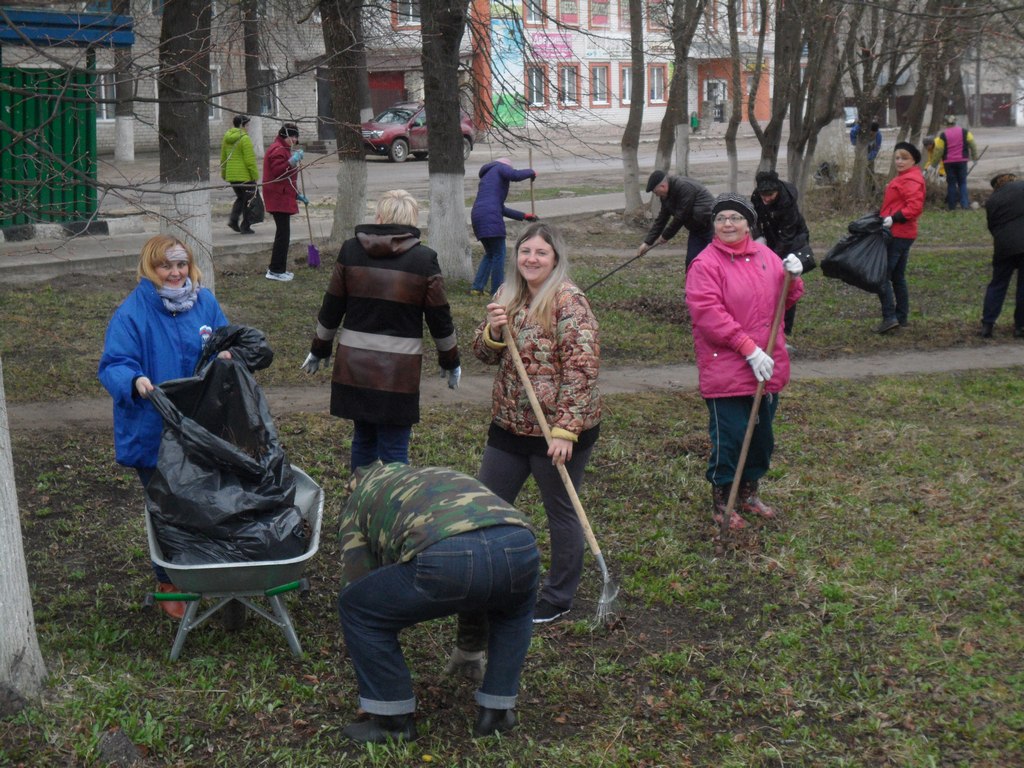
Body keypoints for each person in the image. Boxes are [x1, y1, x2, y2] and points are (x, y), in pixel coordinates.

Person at [336, 462, 540, 743]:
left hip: (445, 556)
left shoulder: (357, 501)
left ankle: (392, 722)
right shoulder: (433, 475)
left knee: (357, 608)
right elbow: (479, 562)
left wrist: (368, 665)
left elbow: (359, 581)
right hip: (519, 543)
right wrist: (470, 647)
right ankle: (497, 712)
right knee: (514, 611)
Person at [473, 222, 601, 624]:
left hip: (556, 431)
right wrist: (493, 332)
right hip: (510, 424)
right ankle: (485, 579)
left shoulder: (568, 300)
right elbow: (484, 353)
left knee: (561, 510)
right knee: (486, 506)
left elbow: (582, 368)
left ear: (555, 258)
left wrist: (567, 430)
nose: (531, 259)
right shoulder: (506, 295)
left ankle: (559, 596)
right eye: (525, 251)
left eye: (541, 253)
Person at [97, 235, 231, 619]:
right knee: (165, 508)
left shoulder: (203, 302)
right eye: (165, 266)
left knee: (205, 499)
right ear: (149, 268)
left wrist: (228, 353)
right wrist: (134, 381)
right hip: (152, 429)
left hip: (201, 427)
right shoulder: (132, 313)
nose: (175, 273)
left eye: (181, 265)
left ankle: (206, 568)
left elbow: (224, 337)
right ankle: (169, 578)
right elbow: (113, 364)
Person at [300, 189, 461, 471]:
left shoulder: (350, 251)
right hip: (398, 372)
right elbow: (439, 317)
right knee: (395, 449)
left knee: (362, 439)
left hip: (356, 366)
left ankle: (359, 507)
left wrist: (319, 348)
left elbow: (332, 306)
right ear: (412, 220)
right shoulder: (424, 260)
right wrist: (450, 360)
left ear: (379, 216)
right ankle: (394, 511)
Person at [685, 193, 804, 530]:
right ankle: (722, 499)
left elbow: (786, 297)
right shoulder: (705, 264)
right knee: (731, 437)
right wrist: (748, 349)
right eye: (721, 218)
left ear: (748, 223)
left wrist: (794, 277)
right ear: (713, 225)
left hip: (767, 365)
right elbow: (707, 314)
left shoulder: (765, 256)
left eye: (735, 218)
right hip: (728, 367)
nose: (728, 224)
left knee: (761, 437)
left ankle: (748, 492)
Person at [750, 170, 810, 336]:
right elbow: (753, 218)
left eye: (770, 195)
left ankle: (786, 328)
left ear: (777, 190)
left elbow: (787, 236)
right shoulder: (757, 196)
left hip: (793, 239)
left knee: (787, 282)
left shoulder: (787, 201)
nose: (766, 198)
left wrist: (773, 260)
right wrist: (758, 236)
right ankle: (767, 321)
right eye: (764, 194)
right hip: (770, 235)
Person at [876, 141, 926, 333]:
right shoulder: (905, 178)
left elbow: (914, 207)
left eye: (904, 158)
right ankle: (901, 317)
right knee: (897, 277)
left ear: (914, 160)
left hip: (898, 234)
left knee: (882, 277)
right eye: (897, 157)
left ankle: (890, 318)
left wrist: (893, 219)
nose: (899, 161)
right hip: (902, 233)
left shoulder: (910, 180)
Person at [469, 157, 537, 297]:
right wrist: (531, 172)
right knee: (499, 254)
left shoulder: (488, 177)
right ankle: (497, 291)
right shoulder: (500, 167)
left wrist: (524, 216)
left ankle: (477, 288)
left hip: (478, 216)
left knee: (490, 254)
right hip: (490, 217)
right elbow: (515, 175)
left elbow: (501, 208)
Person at [636, 170, 714, 269]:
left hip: (711, 227)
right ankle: (692, 283)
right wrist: (647, 243)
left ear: (663, 186)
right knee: (692, 262)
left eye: (656, 192)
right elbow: (662, 218)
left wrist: (665, 236)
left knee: (714, 261)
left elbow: (681, 216)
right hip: (696, 230)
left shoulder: (684, 187)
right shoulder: (665, 196)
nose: (656, 195)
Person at [979, 172, 1024, 339]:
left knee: (997, 284)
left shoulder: (992, 201)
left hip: (1004, 247)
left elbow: (992, 227)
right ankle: (1020, 327)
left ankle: (987, 325)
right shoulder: (1022, 187)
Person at [262, 122, 308, 281]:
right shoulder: (278, 149)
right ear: (285, 135)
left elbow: (287, 179)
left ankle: (277, 268)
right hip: (277, 196)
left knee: (283, 234)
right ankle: (275, 270)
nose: (295, 140)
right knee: (283, 235)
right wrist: (292, 161)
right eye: (292, 137)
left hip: (282, 195)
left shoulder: (284, 149)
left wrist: (297, 194)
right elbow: (278, 172)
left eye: (296, 138)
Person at [927, 114, 978, 210]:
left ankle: (951, 206)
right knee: (962, 183)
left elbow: (939, 150)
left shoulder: (943, 135)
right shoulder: (965, 132)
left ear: (946, 123)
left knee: (951, 183)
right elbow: (973, 144)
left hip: (948, 162)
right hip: (962, 161)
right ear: (955, 122)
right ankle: (965, 205)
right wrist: (975, 158)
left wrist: (933, 165)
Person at [220, 114, 258, 235]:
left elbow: (223, 158)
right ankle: (245, 226)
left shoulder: (226, 137)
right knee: (249, 201)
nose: (248, 128)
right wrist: (254, 175)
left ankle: (233, 220)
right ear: (242, 125)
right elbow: (249, 160)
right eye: (247, 125)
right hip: (245, 176)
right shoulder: (244, 138)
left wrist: (224, 173)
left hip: (232, 176)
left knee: (241, 198)